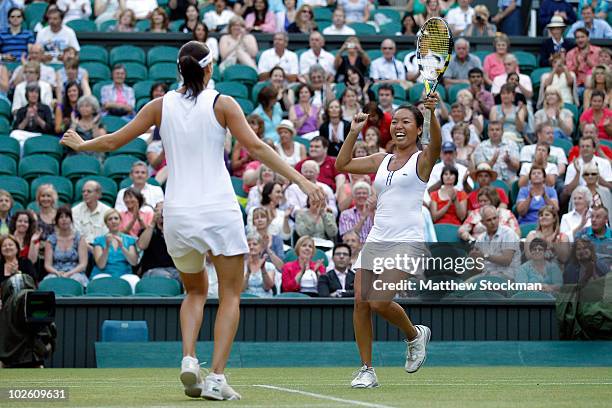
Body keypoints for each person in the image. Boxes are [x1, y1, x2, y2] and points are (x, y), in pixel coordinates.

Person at [61, 41, 325, 400]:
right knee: (230, 293)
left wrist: (82, 144)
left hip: (178, 216)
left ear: (179, 70)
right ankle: (216, 377)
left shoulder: (160, 105)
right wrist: (305, 181)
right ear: (209, 69)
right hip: (218, 211)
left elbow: (114, 141)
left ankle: (188, 359)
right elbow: (258, 149)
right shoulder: (223, 103)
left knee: (195, 291)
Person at [335, 95, 442, 387]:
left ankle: (414, 335)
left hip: (407, 242)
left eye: (406, 121)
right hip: (377, 239)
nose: (398, 125)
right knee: (360, 302)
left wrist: (431, 114)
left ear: (418, 129)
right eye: (395, 121)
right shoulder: (381, 160)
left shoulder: (422, 160)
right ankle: (366, 369)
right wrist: (355, 130)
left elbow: (437, 146)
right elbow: (342, 163)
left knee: (379, 301)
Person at [468, 205, 521, 280]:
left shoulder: (508, 233)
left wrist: (484, 255)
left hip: (507, 276)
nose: (493, 222)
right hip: (486, 275)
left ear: (498, 218)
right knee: (463, 287)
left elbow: (506, 260)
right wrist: (473, 260)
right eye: (489, 220)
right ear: (482, 222)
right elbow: (478, 269)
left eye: (495, 218)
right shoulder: (481, 239)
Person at [43, 206, 89, 286]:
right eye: (61, 217)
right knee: (48, 281)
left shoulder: (79, 238)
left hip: (75, 272)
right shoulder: (51, 240)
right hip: (56, 272)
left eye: (67, 217)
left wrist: (69, 274)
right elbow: (47, 265)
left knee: (76, 280)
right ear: (57, 221)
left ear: (71, 220)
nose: (64, 219)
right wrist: (57, 273)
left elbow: (83, 264)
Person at [137, 202, 180, 282]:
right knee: (165, 277)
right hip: (153, 270)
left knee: (187, 278)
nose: (162, 214)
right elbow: (141, 246)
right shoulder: (147, 231)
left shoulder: (175, 232)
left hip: (174, 270)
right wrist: (153, 222)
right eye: (159, 211)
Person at [72, 180, 111, 248]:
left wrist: (97, 250)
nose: (85, 194)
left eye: (89, 191)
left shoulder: (107, 211)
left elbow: (107, 234)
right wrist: (91, 249)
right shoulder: (75, 211)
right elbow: (77, 236)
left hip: (102, 247)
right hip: (82, 248)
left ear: (98, 194)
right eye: (83, 191)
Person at [250, 206, 285, 271]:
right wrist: (262, 248)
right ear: (253, 222)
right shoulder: (250, 240)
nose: (260, 220)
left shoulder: (277, 239)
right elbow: (248, 263)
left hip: (274, 273)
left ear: (268, 220)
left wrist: (267, 249)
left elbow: (281, 267)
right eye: (256, 218)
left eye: (263, 217)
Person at [242, 232, 275, 297]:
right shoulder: (241, 266)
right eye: (249, 245)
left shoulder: (269, 266)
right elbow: (241, 289)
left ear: (261, 247)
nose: (251, 247)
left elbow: (267, 287)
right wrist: (248, 273)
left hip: (264, 303)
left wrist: (263, 269)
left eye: (255, 244)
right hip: (246, 302)